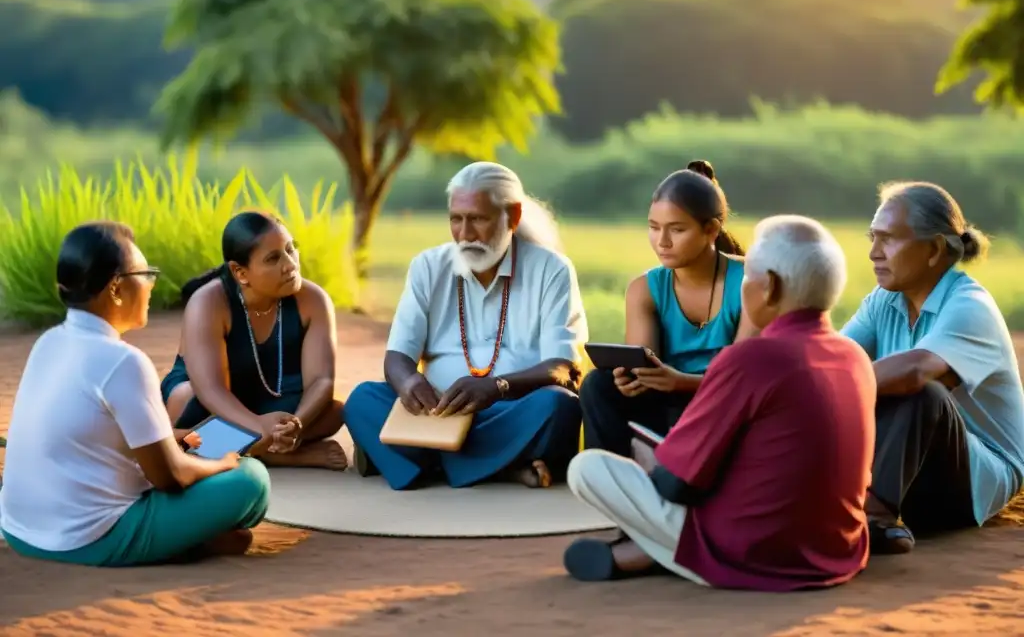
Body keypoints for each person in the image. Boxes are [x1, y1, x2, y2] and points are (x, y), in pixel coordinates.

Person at [564, 215, 876, 591]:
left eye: (748, 281)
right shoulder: (854, 356)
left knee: (587, 468)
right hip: (837, 549)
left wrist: (652, 461)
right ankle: (649, 551)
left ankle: (652, 551)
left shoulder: (752, 358)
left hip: (751, 554)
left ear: (770, 288)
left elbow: (677, 486)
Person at [0, 222, 270, 566]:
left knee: (195, 458)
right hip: (86, 538)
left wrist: (171, 438)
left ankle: (191, 535)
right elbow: (170, 477)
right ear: (115, 288)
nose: (151, 285)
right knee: (251, 481)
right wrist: (223, 463)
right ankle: (185, 539)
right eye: (146, 274)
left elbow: (89, 429)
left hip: (21, 531)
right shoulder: (123, 362)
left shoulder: (49, 342)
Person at [345, 161, 587, 490]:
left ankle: (420, 461)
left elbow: (564, 369)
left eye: (478, 219)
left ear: (512, 217)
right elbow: (397, 357)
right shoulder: (428, 266)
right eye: (456, 220)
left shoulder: (552, 270)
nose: (465, 234)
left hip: (509, 410)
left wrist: (497, 386)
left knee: (559, 406)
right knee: (362, 400)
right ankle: (504, 466)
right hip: (436, 413)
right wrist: (409, 384)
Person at [840, 181, 1024, 554]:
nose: (874, 252)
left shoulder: (970, 305)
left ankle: (875, 519)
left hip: (976, 480)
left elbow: (915, 372)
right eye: (872, 237)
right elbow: (839, 357)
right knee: (849, 386)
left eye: (888, 239)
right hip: (911, 462)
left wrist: (818, 383)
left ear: (934, 249)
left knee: (920, 390)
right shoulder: (883, 301)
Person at [580, 160, 757, 456]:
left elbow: (743, 378)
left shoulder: (749, 282)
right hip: (668, 407)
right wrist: (632, 382)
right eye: (653, 227)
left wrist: (682, 383)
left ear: (711, 230)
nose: (662, 242)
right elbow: (645, 365)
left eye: (676, 230)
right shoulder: (645, 289)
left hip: (726, 407)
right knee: (597, 384)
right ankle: (609, 478)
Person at [160, 211, 347, 470]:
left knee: (334, 411)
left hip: (268, 399)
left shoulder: (313, 299)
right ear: (240, 272)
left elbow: (321, 380)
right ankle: (276, 454)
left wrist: (296, 425)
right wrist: (260, 426)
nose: (290, 265)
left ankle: (249, 449)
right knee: (185, 404)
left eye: (291, 249)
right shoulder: (209, 302)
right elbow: (211, 390)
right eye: (273, 258)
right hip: (213, 404)